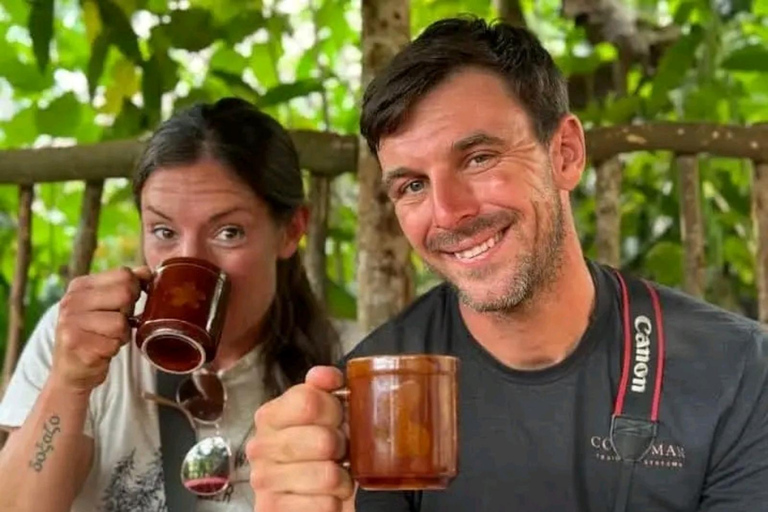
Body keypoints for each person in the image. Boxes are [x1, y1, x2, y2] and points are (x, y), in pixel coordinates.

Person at [246, 16, 768, 512]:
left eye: (478, 158)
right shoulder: (377, 395)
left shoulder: (737, 369)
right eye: (412, 186)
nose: (448, 213)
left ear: (564, 153)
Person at [0, 97, 340, 512]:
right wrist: (68, 382)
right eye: (163, 231)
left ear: (290, 231)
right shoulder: (80, 343)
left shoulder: (341, 366)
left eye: (228, 232)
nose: (190, 259)